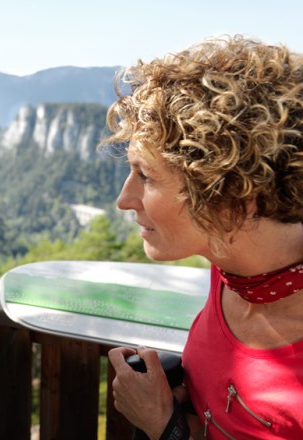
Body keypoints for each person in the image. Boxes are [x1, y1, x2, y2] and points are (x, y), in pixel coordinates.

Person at [104, 35, 303, 439]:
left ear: (230, 196)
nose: (125, 200)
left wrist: (163, 425)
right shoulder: (230, 270)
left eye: (146, 175)